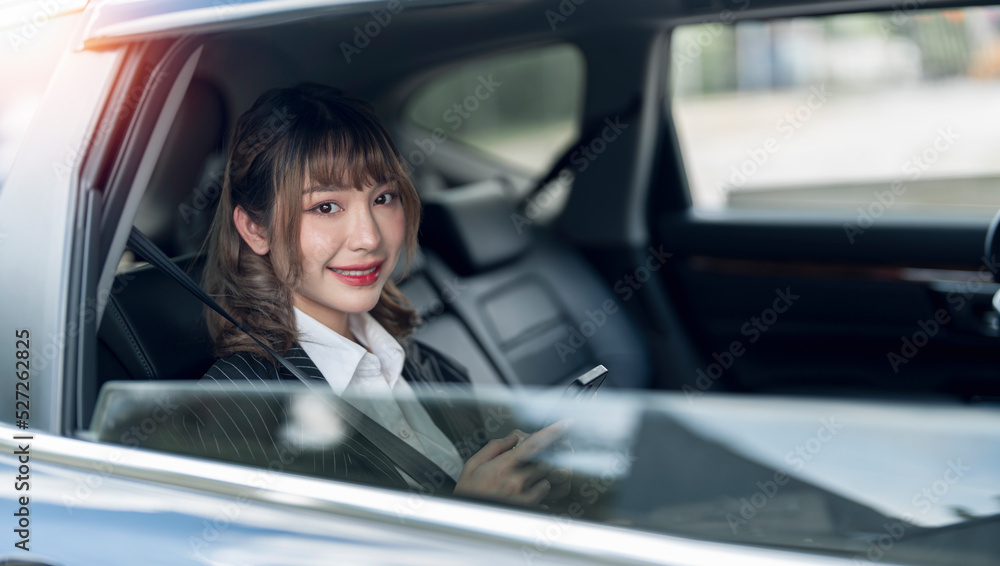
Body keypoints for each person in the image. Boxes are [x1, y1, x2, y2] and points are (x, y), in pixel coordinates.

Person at [200, 83, 569, 506]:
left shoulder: (421, 362)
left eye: (383, 198)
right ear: (255, 229)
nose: (368, 237)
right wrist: (466, 519)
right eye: (326, 207)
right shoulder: (237, 410)